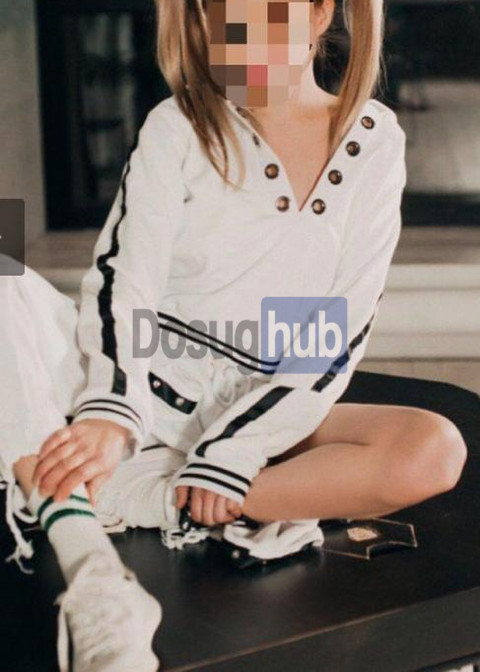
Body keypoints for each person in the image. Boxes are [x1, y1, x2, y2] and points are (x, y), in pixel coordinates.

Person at [0, 0, 467, 669]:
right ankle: (95, 573)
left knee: (433, 449)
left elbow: (333, 335)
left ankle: (160, 496)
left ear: (320, 15)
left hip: (263, 411)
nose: (242, 47)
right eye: (226, 24)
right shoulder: (178, 126)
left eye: (269, 20)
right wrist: (109, 413)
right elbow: (124, 283)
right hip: (136, 387)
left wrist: (237, 449)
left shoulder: (375, 141)